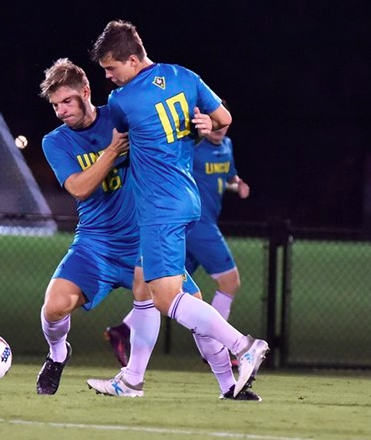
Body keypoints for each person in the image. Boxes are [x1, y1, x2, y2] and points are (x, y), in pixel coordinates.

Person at [88, 20, 268, 400]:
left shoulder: (122, 100)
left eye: (111, 68)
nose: (107, 77)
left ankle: (243, 347)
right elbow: (225, 119)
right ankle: (204, 383)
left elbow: (118, 135)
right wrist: (204, 123)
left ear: (133, 59)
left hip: (159, 206)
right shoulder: (185, 77)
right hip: (184, 199)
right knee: (148, 286)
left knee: (167, 299)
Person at [37, 58, 213, 398]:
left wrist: (199, 132)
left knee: (195, 306)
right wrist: (113, 150)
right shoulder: (54, 142)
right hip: (95, 245)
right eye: (55, 104)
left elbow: (168, 148)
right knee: (54, 306)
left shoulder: (120, 116)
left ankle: (231, 380)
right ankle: (58, 354)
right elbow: (78, 187)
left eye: (67, 101)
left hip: (144, 241)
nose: (60, 110)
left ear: (86, 92)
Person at [105, 121, 250, 367]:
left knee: (168, 289)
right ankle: (229, 347)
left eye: (223, 123)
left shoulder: (227, 145)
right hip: (194, 224)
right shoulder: (193, 146)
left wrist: (237, 184)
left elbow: (227, 176)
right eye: (213, 121)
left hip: (193, 225)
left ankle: (124, 330)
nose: (219, 128)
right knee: (230, 281)